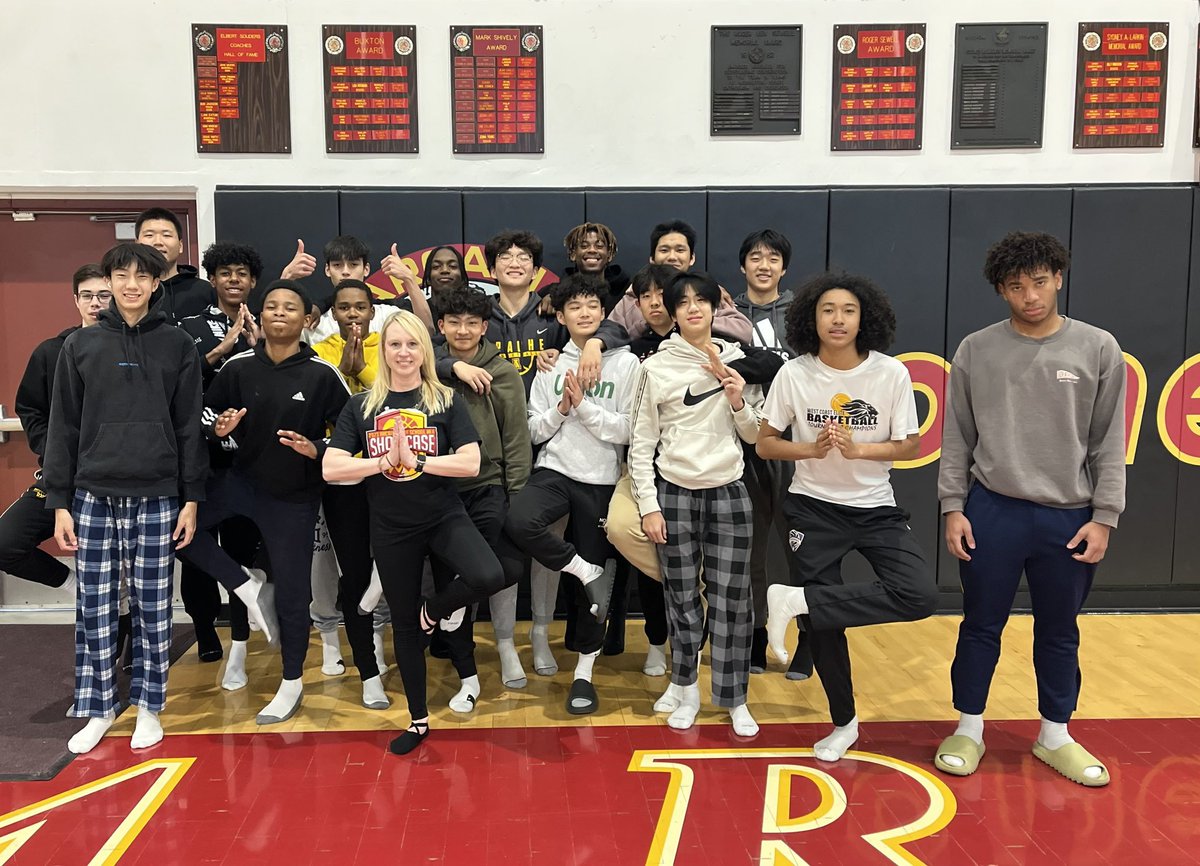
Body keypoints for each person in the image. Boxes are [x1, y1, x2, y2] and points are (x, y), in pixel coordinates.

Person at [934, 232, 1125, 786]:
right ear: (1001, 291)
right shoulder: (975, 349)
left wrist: (1104, 515)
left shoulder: (1098, 347)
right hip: (992, 509)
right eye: (1016, 287)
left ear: (1058, 278)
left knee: (1060, 630)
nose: (1030, 296)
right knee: (980, 625)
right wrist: (953, 505)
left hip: (1070, 515)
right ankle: (968, 728)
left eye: (1040, 282)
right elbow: (957, 437)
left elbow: (1109, 441)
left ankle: (1055, 734)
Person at [760, 272, 938, 762]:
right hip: (812, 510)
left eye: (848, 311)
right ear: (810, 318)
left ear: (865, 319)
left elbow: (910, 444)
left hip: (874, 507)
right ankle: (844, 724)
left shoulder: (890, 373)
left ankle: (797, 600)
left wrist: (860, 450)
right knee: (826, 627)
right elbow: (765, 441)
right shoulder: (794, 374)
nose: (838, 319)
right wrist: (809, 449)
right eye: (827, 310)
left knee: (919, 594)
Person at [44, 243, 207, 755]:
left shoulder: (178, 345)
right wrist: (60, 501)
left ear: (157, 283)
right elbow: (62, 426)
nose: (132, 283)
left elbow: (188, 427)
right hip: (93, 492)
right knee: (94, 605)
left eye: (143, 275)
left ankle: (149, 707)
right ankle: (97, 708)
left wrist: (191, 497)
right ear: (108, 281)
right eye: (122, 274)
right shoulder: (81, 346)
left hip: (158, 493)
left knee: (154, 605)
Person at [324, 310, 507, 755]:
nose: (403, 353)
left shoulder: (444, 400)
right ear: (383, 352)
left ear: (424, 351)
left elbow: (471, 462)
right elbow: (331, 468)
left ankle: (436, 611)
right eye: (394, 345)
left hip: (444, 515)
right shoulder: (361, 405)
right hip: (390, 527)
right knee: (403, 626)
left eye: (412, 344)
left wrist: (418, 461)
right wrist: (382, 463)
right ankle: (419, 721)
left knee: (488, 575)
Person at [177, 280, 351, 724]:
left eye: (289, 308)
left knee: (293, 595)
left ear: (306, 319)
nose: (278, 313)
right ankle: (246, 584)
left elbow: (354, 433)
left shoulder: (321, 373)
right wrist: (216, 429)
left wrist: (317, 447)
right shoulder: (237, 366)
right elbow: (205, 413)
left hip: (293, 497)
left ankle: (291, 682)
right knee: (176, 533)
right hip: (238, 483)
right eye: (270, 306)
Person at [627, 270, 763, 736]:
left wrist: (739, 400)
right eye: (681, 302)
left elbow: (756, 435)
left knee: (732, 602)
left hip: (729, 491)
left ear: (714, 307)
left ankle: (734, 698)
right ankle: (685, 687)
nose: (692, 308)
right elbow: (641, 444)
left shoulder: (739, 359)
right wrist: (649, 505)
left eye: (700, 300)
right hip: (675, 495)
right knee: (681, 601)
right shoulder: (654, 368)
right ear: (671, 311)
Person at [505, 274, 639, 715]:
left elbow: (627, 429)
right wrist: (563, 408)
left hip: (601, 479)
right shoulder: (549, 364)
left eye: (592, 306)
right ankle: (583, 569)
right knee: (519, 522)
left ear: (603, 313)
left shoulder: (625, 364)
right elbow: (533, 429)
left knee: (594, 597)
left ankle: (583, 675)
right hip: (555, 470)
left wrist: (584, 406)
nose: (584, 313)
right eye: (574, 308)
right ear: (560, 317)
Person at [434, 286, 531, 704]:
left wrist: (517, 493)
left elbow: (516, 437)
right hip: (439, 489)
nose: (463, 329)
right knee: (455, 582)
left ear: (485, 327)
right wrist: (452, 367)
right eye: (454, 321)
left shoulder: (503, 373)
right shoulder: (427, 367)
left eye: (472, 322)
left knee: (484, 575)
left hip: (489, 486)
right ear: (440, 326)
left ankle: (435, 612)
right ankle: (465, 674)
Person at [177, 242, 265, 668]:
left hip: (248, 457)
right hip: (202, 455)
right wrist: (223, 348)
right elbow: (178, 382)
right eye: (226, 272)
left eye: (242, 273)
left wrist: (260, 347)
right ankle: (204, 630)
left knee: (243, 551)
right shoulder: (188, 325)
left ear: (253, 281)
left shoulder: (267, 323)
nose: (234, 279)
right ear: (212, 279)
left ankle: (242, 639)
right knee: (194, 547)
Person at [311, 279, 392, 707]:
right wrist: (341, 368)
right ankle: (368, 669)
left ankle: (382, 636)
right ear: (334, 313)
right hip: (344, 478)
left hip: (391, 473)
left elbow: (391, 400)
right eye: (344, 308)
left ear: (372, 309)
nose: (353, 314)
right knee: (355, 572)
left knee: (392, 567)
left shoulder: (389, 346)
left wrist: (359, 368)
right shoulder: (321, 352)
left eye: (361, 306)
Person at [731, 229, 808, 677]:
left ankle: (809, 642)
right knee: (753, 552)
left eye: (773, 258)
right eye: (755, 257)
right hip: (747, 444)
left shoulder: (803, 311)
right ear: (743, 265)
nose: (764, 265)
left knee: (803, 551)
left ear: (784, 267)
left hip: (799, 446)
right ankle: (757, 636)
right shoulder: (726, 312)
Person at [2, 265, 106, 593]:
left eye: (103, 295)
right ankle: (75, 585)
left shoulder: (130, 351)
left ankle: (122, 630)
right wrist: (52, 451)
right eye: (87, 296)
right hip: (60, 477)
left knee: (109, 569)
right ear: (76, 300)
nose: (95, 303)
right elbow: (30, 409)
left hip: (112, 478)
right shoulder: (50, 351)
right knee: (6, 543)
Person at [609, 220, 753, 344]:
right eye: (664, 250)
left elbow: (743, 330)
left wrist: (695, 320)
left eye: (680, 250)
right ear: (652, 258)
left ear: (692, 258)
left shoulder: (708, 291)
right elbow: (610, 332)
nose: (672, 257)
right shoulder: (632, 297)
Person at [136, 207, 214, 323]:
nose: (158, 242)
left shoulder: (205, 291)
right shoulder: (129, 291)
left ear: (180, 246)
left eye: (166, 235)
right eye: (149, 235)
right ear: (137, 244)